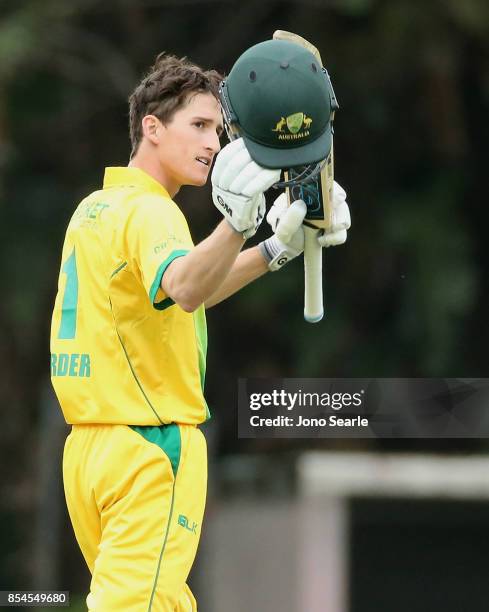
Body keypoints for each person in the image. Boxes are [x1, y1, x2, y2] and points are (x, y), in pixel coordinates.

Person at [50, 42, 350, 611]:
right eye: (200, 125)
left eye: (219, 128)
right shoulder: (152, 212)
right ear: (152, 127)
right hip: (150, 447)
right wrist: (238, 221)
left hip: (89, 454)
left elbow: (185, 293)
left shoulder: (96, 208)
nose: (214, 143)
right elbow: (188, 288)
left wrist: (276, 249)